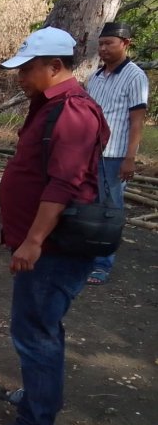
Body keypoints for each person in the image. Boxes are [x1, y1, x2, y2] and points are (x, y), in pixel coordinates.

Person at [0, 27, 110, 425]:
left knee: (34, 330)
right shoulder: (46, 106)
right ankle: (41, 394)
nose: (21, 78)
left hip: (54, 247)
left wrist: (33, 241)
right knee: (40, 326)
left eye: (29, 69)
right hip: (42, 243)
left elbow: (62, 184)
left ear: (56, 67)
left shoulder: (73, 112)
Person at [84, 22, 150, 285]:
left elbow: (137, 121)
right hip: (90, 153)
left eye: (109, 43)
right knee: (89, 207)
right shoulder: (96, 77)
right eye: (100, 44)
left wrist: (129, 158)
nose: (103, 49)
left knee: (110, 210)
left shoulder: (135, 76)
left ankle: (102, 264)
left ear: (125, 43)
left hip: (114, 156)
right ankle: (87, 255)